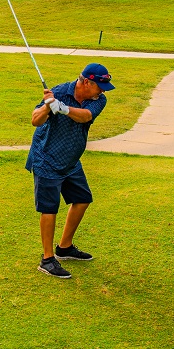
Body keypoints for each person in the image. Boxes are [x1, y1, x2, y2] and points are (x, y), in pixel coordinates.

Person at [27, 62, 114, 279]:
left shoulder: (99, 100)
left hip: (71, 160)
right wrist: (48, 106)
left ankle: (64, 248)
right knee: (49, 209)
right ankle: (47, 260)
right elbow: (35, 120)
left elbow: (85, 116)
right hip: (46, 158)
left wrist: (63, 109)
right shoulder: (59, 92)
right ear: (86, 82)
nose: (102, 91)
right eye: (99, 87)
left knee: (82, 199)